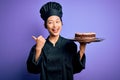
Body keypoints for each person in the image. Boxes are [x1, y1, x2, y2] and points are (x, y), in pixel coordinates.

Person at [27, 1, 87, 80]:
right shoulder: (39, 46)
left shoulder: (70, 45)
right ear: (45, 25)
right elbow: (33, 70)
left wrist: (82, 48)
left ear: (62, 23)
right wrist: (38, 49)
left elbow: (76, 69)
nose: (55, 25)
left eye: (57, 21)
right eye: (50, 22)